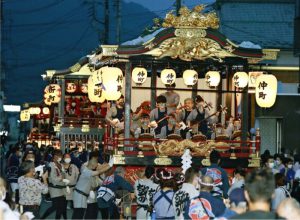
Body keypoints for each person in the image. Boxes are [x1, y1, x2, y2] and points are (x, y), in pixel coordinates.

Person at [41, 149, 67, 219]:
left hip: (62, 188)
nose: (60, 157)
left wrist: (63, 176)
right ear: (54, 156)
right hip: (54, 188)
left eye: (61, 155)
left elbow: (64, 175)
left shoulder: (61, 165)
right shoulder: (51, 165)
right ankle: (42, 218)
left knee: (62, 206)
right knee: (55, 206)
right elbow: (52, 179)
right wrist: (61, 178)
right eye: (59, 155)